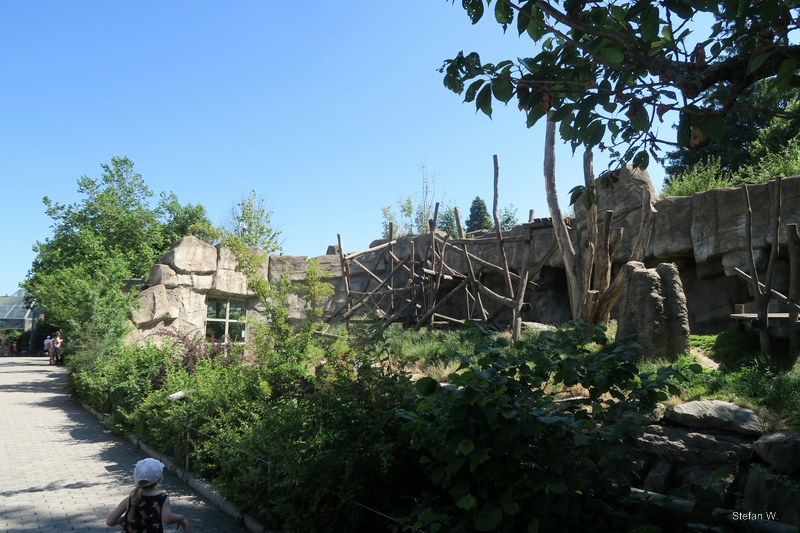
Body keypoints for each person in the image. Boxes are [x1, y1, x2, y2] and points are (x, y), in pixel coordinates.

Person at [106, 458, 189, 532]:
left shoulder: (130, 499)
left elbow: (109, 521)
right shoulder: (162, 499)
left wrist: (121, 520)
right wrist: (180, 518)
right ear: (159, 479)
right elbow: (167, 519)